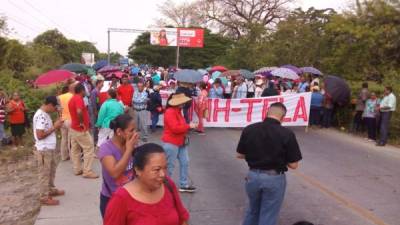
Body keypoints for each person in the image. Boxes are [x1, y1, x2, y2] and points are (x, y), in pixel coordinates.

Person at [236, 102, 302, 225]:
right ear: (283, 118)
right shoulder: (287, 134)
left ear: (267, 112)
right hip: (274, 178)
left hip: (253, 176)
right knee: (268, 214)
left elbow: (240, 154)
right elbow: (294, 165)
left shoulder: (250, 129)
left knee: (252, 210)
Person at [103, 143, 190, 225]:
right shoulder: (120, 200)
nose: (163, 174)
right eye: (156, 169)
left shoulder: (168, 184)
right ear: (138, 170)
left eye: (165, 168)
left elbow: (182, 218)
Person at [98, 114, 139, 218]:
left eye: (135, 130)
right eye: (131, 130)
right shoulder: (106, 148)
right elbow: (115, 173)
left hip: (132, 197)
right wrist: (129, 150)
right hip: (111, 199)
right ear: (119, 132)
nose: (135, 134)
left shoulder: (131, 144)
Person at [162, 93, 198, 193]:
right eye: (183, 101)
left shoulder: (177, 111)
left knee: (185, 162)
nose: (185, 103)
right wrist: (188, 126)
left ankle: (184, 184)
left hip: (179, 141)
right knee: (170, 165)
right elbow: (175, 128)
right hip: (172, 142)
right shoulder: (170, 112)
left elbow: (178, 127)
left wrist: (187, 126)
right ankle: (164, 185)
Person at [33, 96, 65, 205]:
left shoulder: (45, 114)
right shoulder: (41, 116)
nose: (55, 109)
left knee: (51, 171)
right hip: (43, 149)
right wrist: (54, 127)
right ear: (50, 105)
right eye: (54, 107)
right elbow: (40, 135)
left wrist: (58, 114)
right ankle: (44, 197)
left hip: (49, 148)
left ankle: (51, 189)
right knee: (44, 174)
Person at [68, 83, 99, 178]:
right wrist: (82, 123)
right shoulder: (78, 99)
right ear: (81, 90)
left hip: (73, 127)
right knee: (89, 147)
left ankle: (77, 169)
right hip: (80, 128)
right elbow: (79, 111)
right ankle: (87, 171)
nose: (86, 92)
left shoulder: (72, 98)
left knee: (75, 149)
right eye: (85, 90)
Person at [58, 78, 77, 161]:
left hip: (62, 119)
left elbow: (58, 109)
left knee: (64, 138)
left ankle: (64, 156)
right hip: (70, 119)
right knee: (71, 139)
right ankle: (72, 156)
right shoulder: (73, 96)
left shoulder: (59, 97)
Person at [90, 79, 104, 145]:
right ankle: (95, 140)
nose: (103, 85)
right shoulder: (94, 91)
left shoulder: (98, 91)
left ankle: (98, 139)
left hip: (98, 110)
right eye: (102, 83)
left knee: (98, 124)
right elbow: (93, 102)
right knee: (95, 125)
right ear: (98, 84)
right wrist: (95, 111)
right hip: (94, 111)